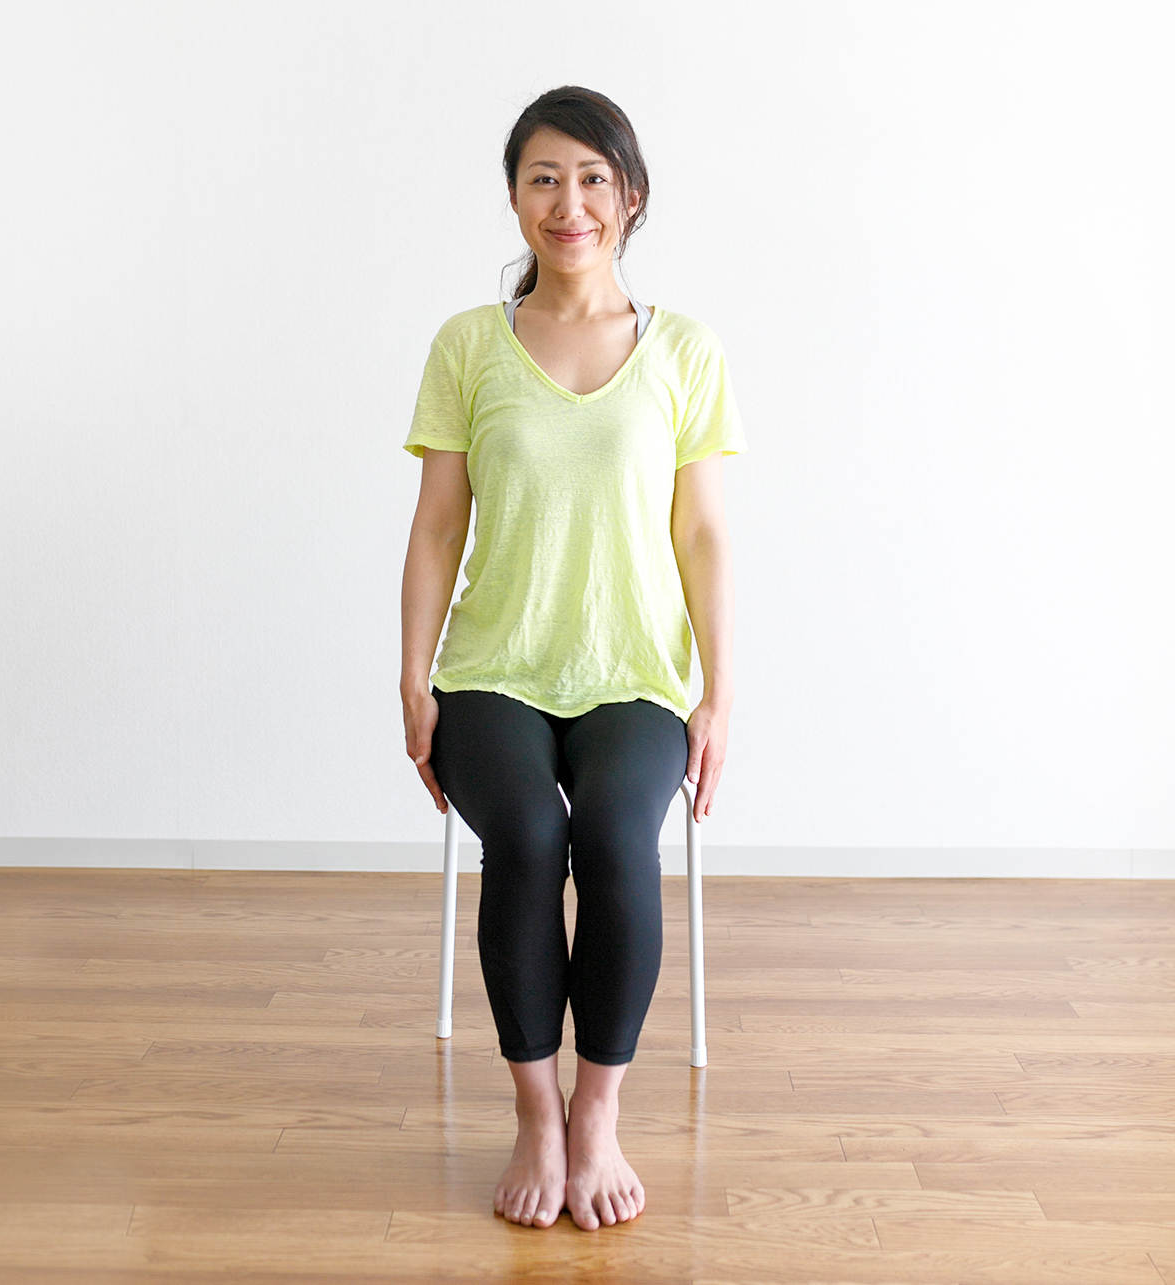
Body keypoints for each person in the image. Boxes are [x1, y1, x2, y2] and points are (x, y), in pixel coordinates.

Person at [397, 85, 744, 1232]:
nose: (568, 202)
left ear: (630, 198)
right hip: (494, 666)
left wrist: (718, 692)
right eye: (543, 178)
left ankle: (597, 1116)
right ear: (513, 199)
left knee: (608, 834)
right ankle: (533, 1116)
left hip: (635, 671)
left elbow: (700, 532)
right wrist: (412, 676)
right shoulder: (468, 345)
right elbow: (437, 523)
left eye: (592, 178)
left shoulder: (684, 351)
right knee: (530, 836)